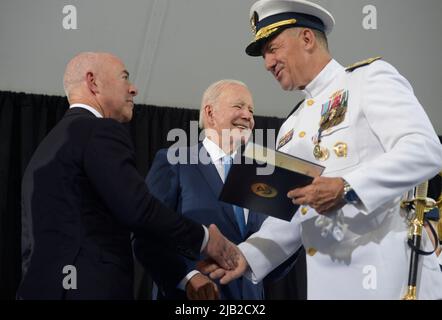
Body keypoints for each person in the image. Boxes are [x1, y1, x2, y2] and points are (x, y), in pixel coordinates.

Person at [199, 0, 442, 299]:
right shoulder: (290, 127)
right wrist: (245, 255)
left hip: (388, 276)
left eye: (273, 48)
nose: (267, 63)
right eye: (263, 56)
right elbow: (291, 215)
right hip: (329, 287)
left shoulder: (368, 80)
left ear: (307, 38)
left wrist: (347, 188)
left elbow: (425, 149)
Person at [17, 52, 238, 300]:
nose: (133, 89)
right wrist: (206, 239)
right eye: (125, 78)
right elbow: (138, 209)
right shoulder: (99, 130)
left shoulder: (47, 147)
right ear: (93, 82)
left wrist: (182, 275)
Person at [134, 79, 296, 300]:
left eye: (251, 110)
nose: (248, 116)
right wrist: (188, 277)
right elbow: (146, 236)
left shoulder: (263, 173)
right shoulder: (175, 162)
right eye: (238, 106)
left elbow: (277, 248)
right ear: (210, 113)